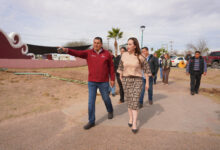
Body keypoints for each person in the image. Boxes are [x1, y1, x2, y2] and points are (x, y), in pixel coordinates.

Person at [58, 37, 115, 130]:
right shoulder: (88, 53)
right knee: (91, 102)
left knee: (106, 99)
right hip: (92, 82)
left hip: (103, 82)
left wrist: (112, 79)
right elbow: (77, 53)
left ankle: (110, 110)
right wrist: (66, 50)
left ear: (101, 44)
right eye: (94, 42)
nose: (96, 44)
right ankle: (91, 121)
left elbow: (111, 67)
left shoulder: (107, 54)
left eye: (98, 43)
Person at [117, 37, 151, 133]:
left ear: (135, 46)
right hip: (126, 80)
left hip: (137, 80)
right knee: (129, 101)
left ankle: (135, 123)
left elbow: (147, 70)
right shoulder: (124, 55)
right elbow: (120, 66)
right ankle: (131, 118)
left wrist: (147, 82)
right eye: (127, 44)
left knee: (135, 101)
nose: (128, 46)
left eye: (130, 44)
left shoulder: (140, 56)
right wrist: (120, 75)